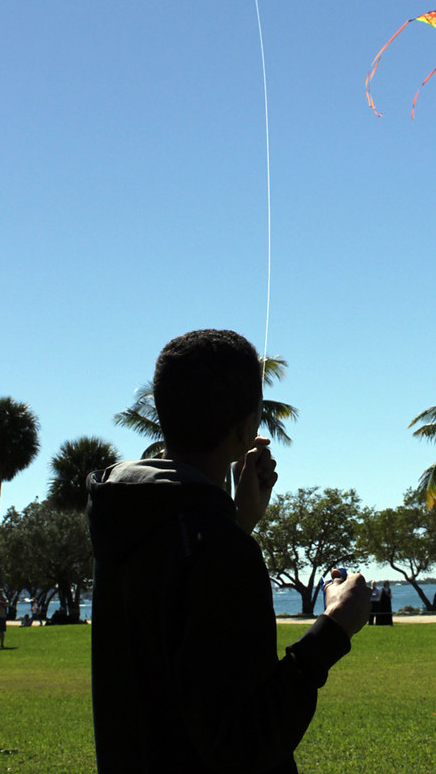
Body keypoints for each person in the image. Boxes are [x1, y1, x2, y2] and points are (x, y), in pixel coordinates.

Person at [87, 329, 371, 774]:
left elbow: (175, 652)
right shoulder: (219, 549)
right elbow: (247, 743)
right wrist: (335, 627)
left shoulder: (127, 517)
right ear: (248, 427)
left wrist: (237, 522)